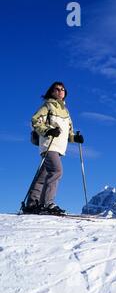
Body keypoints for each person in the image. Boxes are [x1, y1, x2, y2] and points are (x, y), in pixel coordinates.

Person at [23, 82, 84, 215]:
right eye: (57, 89)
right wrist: (47, 131)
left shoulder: (66, 112)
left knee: (44, 174)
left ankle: (32, 203)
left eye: (63, 89)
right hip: (48, 145)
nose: (60, 91)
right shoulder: (47, 106)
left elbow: (69, 132)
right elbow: (35, 120)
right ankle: (47, 203)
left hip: (60, 148)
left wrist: (75, 138)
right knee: (57, 170)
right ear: (52, 92)